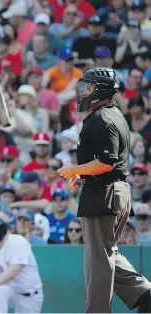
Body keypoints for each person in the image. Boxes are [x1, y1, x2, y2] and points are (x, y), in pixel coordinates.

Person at [57, 67, 151, 313]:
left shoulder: (103, 118)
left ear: (101, 90)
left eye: (88, 86)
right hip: (111, 191)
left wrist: (74, 169)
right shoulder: (111, 114)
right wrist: (81, 172)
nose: (83, 91)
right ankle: (144, 292)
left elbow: (107, 162)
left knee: (98, 261)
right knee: (105, 252)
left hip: (105, 193)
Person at [0, 219, 44, 313]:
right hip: (12, 293)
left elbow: (14, 270)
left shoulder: (17, 241)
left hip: (30, 295)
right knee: (1, 290)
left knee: (0, 288)